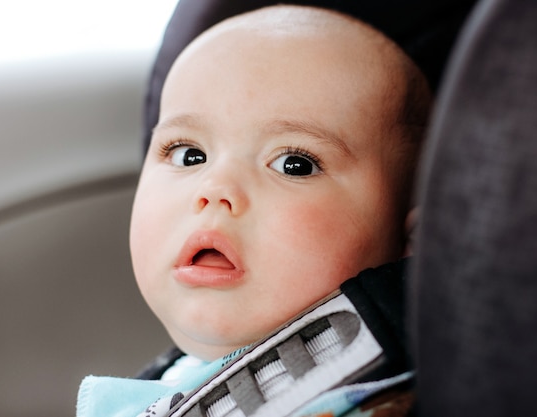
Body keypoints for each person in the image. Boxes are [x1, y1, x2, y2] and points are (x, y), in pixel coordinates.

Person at [77, 5, 431, 417]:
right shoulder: (176, 378)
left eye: (294, 165)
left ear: (411, 240)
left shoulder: (384, 396)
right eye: (190, 155)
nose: (215, 189)